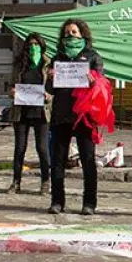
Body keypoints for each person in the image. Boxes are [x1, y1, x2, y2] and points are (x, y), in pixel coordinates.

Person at [45, 19, 103, 215]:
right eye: (67, 33)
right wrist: (50, 78)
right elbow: (49, 89)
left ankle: (89, 203)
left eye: (74, 32)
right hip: (61, 114)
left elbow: (102, 87)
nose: (70, 36)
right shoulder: (57, 58)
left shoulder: (93, 57)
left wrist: (93, 83)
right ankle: (57, 201)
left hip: (84, 116)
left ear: (82, 35)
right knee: (58, 160)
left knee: (88, 160)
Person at [6, 33, 52, 195]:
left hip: (41, 112)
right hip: (21, 111)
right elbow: (11, 85)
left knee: (42, 148)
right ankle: (16, 182)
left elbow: (55, 88)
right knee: (20, 148)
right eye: (30, 44)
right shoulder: (20, 65)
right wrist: (12, 92)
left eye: (36, 44)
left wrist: (49, 96)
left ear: (42, 46)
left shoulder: (48, 64)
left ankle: (45, 182)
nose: (33, 47)